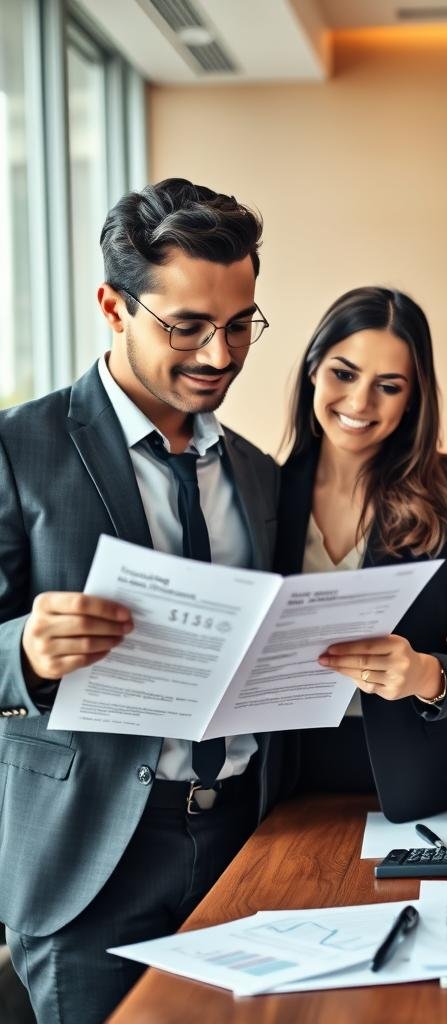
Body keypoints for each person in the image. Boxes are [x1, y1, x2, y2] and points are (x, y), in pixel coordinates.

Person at [0, 178, 295, 1023]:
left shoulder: (256, 472)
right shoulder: (18, 447)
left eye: (241, 325)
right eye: (188, 326)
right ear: (112, 305)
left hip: (245, 836)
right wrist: (24, 650)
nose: (220, 355)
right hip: (88, 858)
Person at [275, 286, 447, 822]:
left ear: (413, 398)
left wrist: (424, 674)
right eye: (343, 373)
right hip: (277, 784)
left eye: (389, 386)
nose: (359, 403)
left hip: (406, 786)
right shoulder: (259, 489)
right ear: (313, 368)